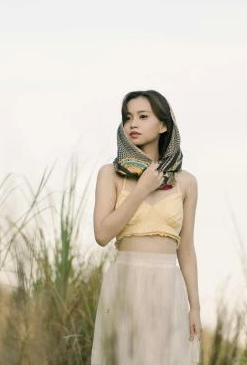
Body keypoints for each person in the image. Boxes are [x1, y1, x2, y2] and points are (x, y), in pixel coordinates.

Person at [91, 90, 201, 364]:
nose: (133, 124)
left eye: (143, 116)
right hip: (125, 282)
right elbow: (102, 235)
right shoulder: (111, 174)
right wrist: (141, 189)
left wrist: (194, 306)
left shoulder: (186, 182)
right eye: (128, 118)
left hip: (167, 286)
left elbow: (186, 249)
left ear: (163, 125)